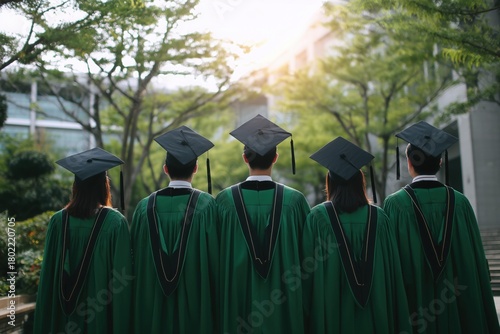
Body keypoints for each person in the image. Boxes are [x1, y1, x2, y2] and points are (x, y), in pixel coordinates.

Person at [384, 121, 500, 333]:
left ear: (409, 163)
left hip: (415, 311)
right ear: (440, 162)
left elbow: (391, 264)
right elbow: (474, 260)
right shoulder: (461, 203)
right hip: (458, 306)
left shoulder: (395, 204)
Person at [302, 136, 411, 333]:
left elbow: (306, 278)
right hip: (376, 319)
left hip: (332, 319)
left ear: (330, 182)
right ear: (360, 181)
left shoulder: (317, 218)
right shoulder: (380, 219)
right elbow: (393, 275)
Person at [216, 114, 311, 334]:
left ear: (244, 158)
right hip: (284, 308)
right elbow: (309, 258)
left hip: (237, 311)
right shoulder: (295, 202)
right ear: (276, 157)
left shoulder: (224, 201)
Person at [33, 147, 133, 334]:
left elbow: (48, 279)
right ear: (104, 186)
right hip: (99, 315)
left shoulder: (57, 222)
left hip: (62, 320)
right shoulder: (115, 222)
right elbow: (123, 281)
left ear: (75, 187)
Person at [130, 126, 219, 333]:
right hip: (196, 309)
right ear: (196, 168)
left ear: (165, 169)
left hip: (151, 307)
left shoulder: (144, 208)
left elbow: (134, 261)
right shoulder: (207, 206)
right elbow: (216, 261)